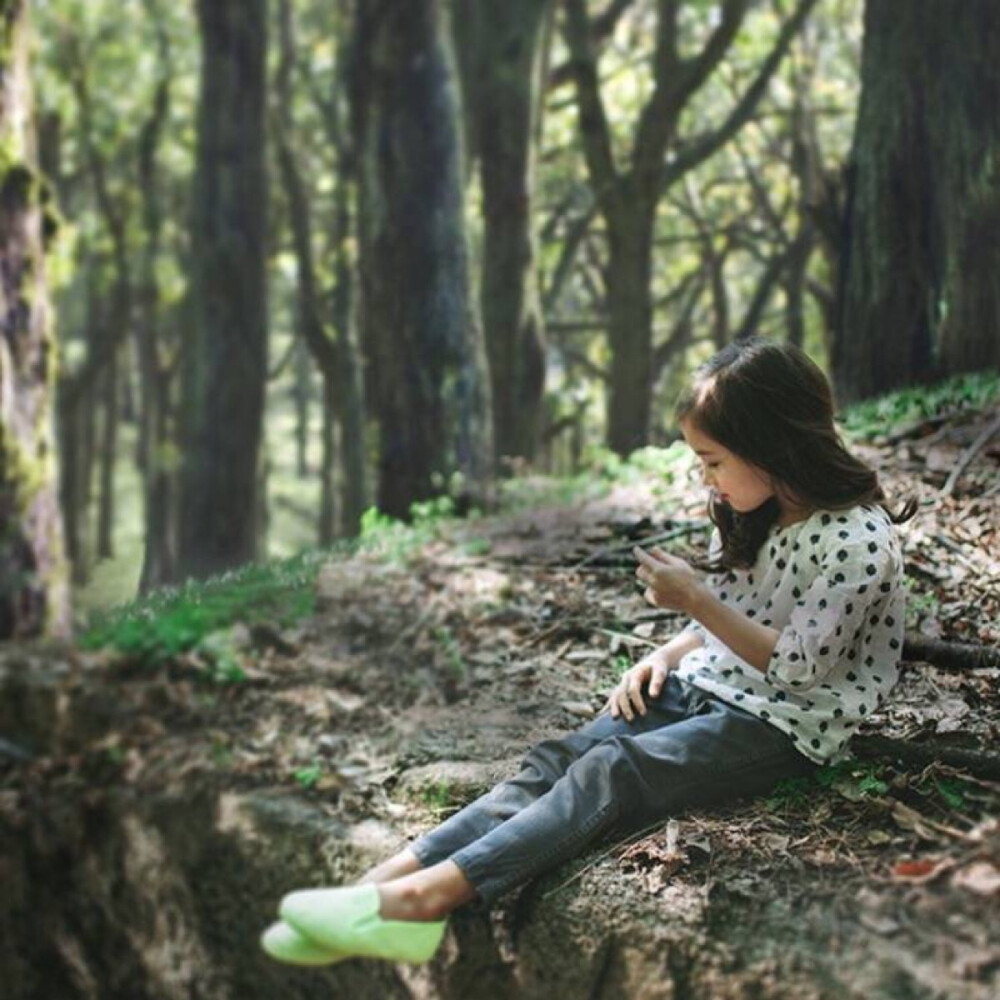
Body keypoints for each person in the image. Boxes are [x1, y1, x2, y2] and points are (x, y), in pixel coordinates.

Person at [261, 336, 917, 967]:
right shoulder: (766, 512)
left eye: (713, 461)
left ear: (771, 444)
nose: (705, 478)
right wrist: (669, 654)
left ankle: (423, 901)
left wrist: (695, 603)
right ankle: (379, 885)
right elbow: (740, 617)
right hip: (716, 683)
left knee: (614, 769)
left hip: (782, 726)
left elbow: (799, 665)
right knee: (559, 758)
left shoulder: (858, 542)